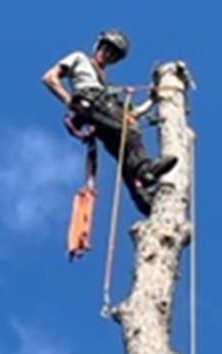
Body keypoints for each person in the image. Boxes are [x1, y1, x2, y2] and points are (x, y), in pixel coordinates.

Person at [42, 30, 177, 215]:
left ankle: (142, 197)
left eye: (113, 55)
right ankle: (145, 169)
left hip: (105, 107)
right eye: (107, 50)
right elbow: (50, 77)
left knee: (125, 149)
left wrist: (152, 100)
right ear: (99, 46)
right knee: (129, 129)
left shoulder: (107, 86)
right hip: (91, 101)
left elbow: (134, 114)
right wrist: (68, 100)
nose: (108, 56)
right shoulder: (79, 58)